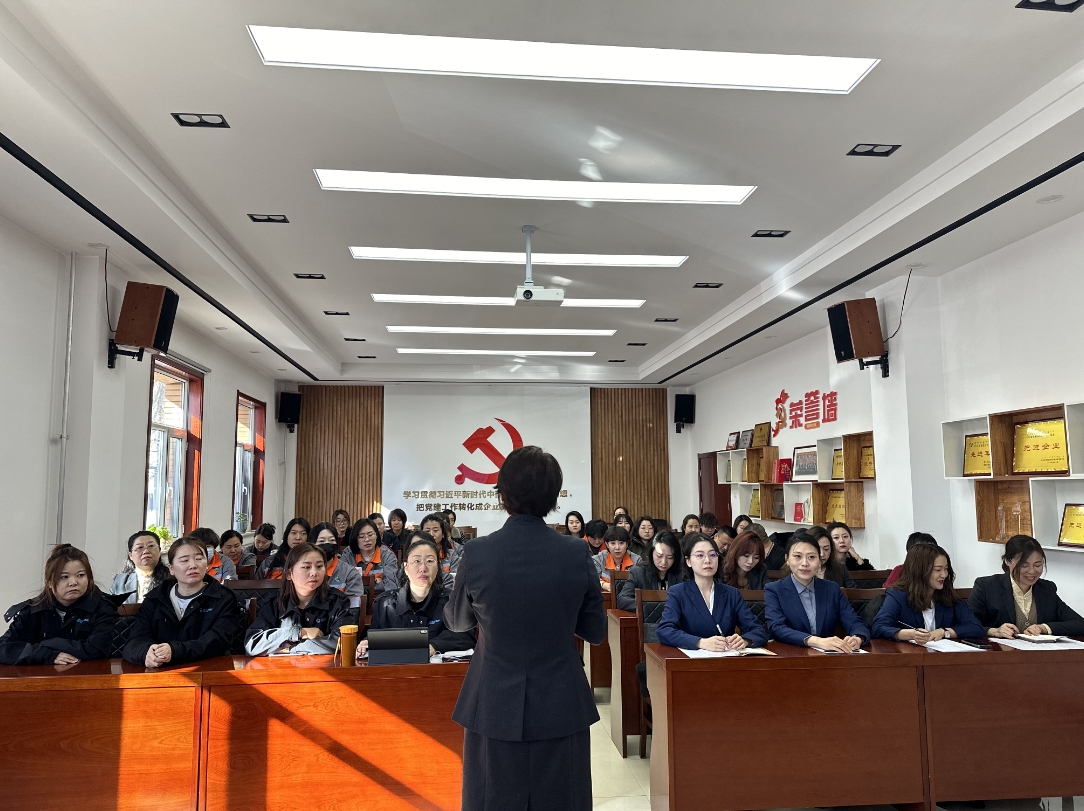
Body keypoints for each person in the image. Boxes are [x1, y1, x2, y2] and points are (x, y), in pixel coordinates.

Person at [444, 446, 606, 811]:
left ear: (502, 494)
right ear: (553, 498)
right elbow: (595, 631)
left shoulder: (477, 553)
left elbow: (456, 622)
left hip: (492, 700)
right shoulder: (576, 553)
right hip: (562, 700)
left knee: (493, 799)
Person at [123, 536, 242, 667]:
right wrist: (145, 653)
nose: (193, 565)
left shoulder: (223, 598)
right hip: (161, 672)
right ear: (171, 569)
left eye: (199, 559)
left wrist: (175, 651)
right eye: (184, 560)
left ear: (207, 564)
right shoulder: (156, 598)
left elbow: (218, 640)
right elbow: (135, 640)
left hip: (210, 669)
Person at [0, 544, 118, 665]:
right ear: (49, 582)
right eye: (64, 577)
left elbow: (96, 650)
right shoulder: (33, 610)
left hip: (89, 677)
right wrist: (45, 654)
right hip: (40, 679)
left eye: (81, 575)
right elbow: (3, 647)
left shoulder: (103, 608)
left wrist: (48, 643)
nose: (73, 582)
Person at [366, 534, 475, 656]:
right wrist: (366, 643)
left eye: (429, 561)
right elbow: (374, 636)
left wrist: (435, 646)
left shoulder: (452, 601)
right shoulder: (384, 604)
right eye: (416, 561)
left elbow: (465, 635)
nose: (423, 568)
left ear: (438, 567)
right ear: (406, 568)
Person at [656, 534, 768, 651]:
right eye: (700, 555)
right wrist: (700, 642)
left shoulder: (732, 594)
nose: (708, 560)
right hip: (690, 661)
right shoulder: (678, 592)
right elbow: (665, 630)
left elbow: (758, 630)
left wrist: (745, 640)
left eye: (712, 555)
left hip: (724, 659)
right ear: (688, 561)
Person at [244, 542, 355, 656]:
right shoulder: (275, 602)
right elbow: (252, 644)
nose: (314, 573)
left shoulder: (338, 601)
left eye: (319, 566)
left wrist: (292, 649)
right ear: (288, 574)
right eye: (306, 567)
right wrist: (298, 632)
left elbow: (342, 642)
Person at [764, 535, 870, 651]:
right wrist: (817, 641)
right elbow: (777, 628)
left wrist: (857, 637)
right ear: (787, 559)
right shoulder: (774, 589)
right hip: (790, 657)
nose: (805, 563)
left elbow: (854, 621)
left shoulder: (832, 589)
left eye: (811, 557)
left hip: (827, 658)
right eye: (798, 556)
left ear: (820, 561)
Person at [969, 534, 1084, 638]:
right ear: (1007, 561)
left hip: (1039, 656)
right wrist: (994, 631)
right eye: (1024, 566)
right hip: (1000, 656)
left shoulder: (1047, 589)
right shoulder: (986, 586)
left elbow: (1079, 623)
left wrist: (1043, 628)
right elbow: (967, 625)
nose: (1032, 571)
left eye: (1038, 565)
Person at [872, 544, 983, 642]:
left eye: (946, 569)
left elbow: (976, 627)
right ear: (921, 571)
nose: (944, 575)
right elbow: (879, 627)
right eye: (938, 570)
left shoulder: (947, 594)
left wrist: (944, 632)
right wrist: (909, 634)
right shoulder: (898, 595)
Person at [616, 531, 683, 611]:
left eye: (670, 557)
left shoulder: (682, 574)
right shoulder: (638, 572)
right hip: (647, 622)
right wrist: (652, 607)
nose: (664, 562)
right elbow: (622, 600)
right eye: (659, 556)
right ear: (651, 554)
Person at [338, 518, 400, 596]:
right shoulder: (348, 554)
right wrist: (376, 582)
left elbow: (391, 585)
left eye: (370, 535)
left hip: (380, 601)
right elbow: (340, 582)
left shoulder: (387, 555)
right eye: (361, 536)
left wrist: (361, 587)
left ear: (377, 535)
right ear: (355, 538)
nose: (367, 539)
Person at [110, 530, 170, 604]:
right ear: (131, 555)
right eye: (140, 547)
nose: (146, 551)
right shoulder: (120, 581)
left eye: (151, 546)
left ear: (159, 550)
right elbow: (109, 608)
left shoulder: (171, 578)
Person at [593, 526, 641, 592]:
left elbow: (640, 583)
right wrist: (604, 584)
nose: (617, 547)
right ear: (607, 544)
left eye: (621, 543)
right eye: (613, 543)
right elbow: (592, 579)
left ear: (627, 544)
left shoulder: (637, 561)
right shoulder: (597, 560)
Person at [420, 512, 462, 585]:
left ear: (443, 534)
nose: (431, 534)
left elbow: (455, 580)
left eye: (435, 531)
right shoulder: (414, 554)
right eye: (427, 531)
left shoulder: (452, 555)